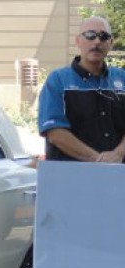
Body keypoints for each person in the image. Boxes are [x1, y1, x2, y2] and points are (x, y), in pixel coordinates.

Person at [38, 15, 125, 162]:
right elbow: (55, 133)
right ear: (78, 41)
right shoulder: (58, 80)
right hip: (69, 173)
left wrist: (119, 154)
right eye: (90, 35)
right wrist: (98, 160)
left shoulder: (122, 78)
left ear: (111, 43)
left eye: (103, 36)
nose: (97, 41)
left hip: (118, 173)